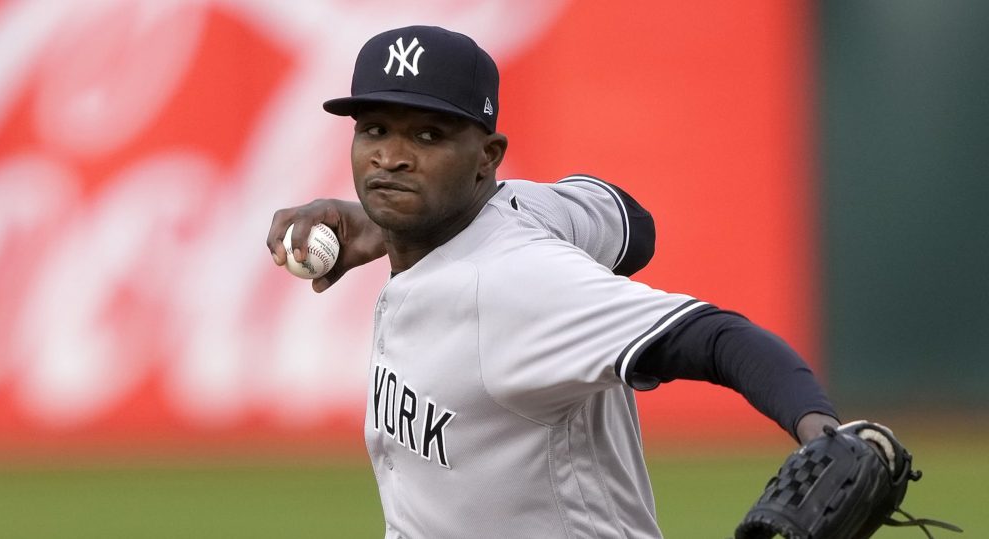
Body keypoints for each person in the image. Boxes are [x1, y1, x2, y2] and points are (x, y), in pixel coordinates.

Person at [267, 25, 839, 539]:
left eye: (428, 137)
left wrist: (824, 434)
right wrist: (380, 222)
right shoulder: (528, 210)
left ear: (488, 157)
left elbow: (715, 337)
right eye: (374, 129)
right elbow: (631, 224)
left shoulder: (518, 283)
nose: (390, 158)